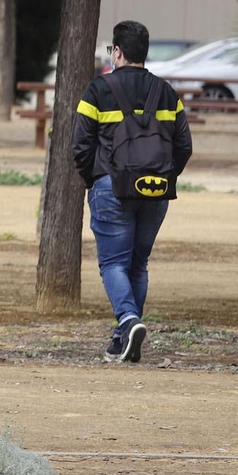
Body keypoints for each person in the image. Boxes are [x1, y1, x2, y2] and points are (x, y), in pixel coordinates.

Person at [73, 20, 192, 363]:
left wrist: (94, 179)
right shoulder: (168, 93)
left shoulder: (97, 90)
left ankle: (128, 321)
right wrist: (166, 177)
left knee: (113, 262)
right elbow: (183, 145)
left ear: (119, 52)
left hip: (112, 186)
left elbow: (79, 145)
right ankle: (121, 339)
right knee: (138, 263)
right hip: (156, 190)